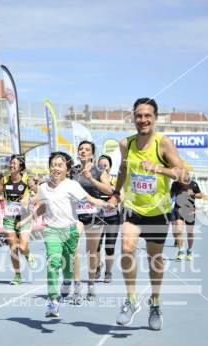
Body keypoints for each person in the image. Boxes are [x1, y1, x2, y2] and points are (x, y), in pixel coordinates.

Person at [110, 97, 188, 331]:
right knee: (126, 248)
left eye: (147, 116)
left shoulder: (163, 144)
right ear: (133, 117)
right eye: (139, 115)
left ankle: (155, 302)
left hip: (158, 212)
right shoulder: (127, 144)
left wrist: (159, 169)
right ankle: (132, 300)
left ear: (155, 118)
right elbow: (124, 168)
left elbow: (184, 176)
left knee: (154, 260)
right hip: (133, 209)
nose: (142, 120)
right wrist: (116, 192)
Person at [18, 152, 113, 317]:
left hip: (70, 231)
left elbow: (90, 199)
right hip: (52, 231)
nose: (55, 168)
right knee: (53, 262)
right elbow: (41, 207)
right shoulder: (43, 187)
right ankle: (53, 301)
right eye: (53, 165)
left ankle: (68, 280)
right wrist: (28, 215)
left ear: (67, 170)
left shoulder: (72, 185)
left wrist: (105, 204)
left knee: (68, 266)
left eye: (59, 165)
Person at [68, 140, 113, 302]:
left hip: (95, 215)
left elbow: (109, 190)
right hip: (77, 216)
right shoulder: (73, 171)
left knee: (92, 253)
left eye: (87, 149)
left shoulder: (99, 170)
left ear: (92, 154)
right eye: (81, 149)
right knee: (74, 247)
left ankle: (91, 283)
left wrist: (92, 180)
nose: (83, 151)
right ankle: (77, 285)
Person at [2, 154, 35, 285]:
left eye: (15, 163)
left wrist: (29, 198)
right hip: (9, 217)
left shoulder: (27, 180)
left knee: (22, 247)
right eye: (11, 163)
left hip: (24, 217)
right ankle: (17, 275)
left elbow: (38, 193)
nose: (12, 165)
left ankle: (28, 255)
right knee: (13, 247)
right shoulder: (4, 179)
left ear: (21, 166)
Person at [95, 154, 121, 283]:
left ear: (110, 167)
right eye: (100, 166)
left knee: (109, 247)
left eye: (105, 165)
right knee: (96, 246)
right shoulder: (94, 179)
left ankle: (108, 271)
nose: (103, 168)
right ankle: (98, 267)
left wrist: (113, 201)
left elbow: (122, 195)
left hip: (112, 218)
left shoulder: (116, 180)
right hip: (97, 216)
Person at [170, 177, 202, 261]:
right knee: (178, 229)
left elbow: (200, 195)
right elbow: (170, 195)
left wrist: (193, 194)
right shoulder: (175, 184)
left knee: (190, 232)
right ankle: (180, 251)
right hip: (178, 209)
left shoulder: (193, 184)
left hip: (190, 210)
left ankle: (189, 250)